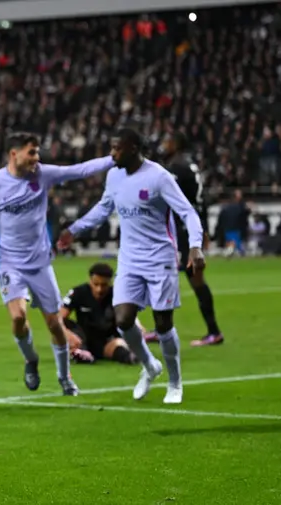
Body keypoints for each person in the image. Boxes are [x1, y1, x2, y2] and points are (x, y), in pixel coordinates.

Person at [58, 128, 206, 405]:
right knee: (123, 319)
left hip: (160, 257)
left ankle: (175, 382)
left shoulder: (159, 177)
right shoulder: (114, 176)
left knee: (163, 324)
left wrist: (195, 245)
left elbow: (187, 211)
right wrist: (75, 229)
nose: (112, 154)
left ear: (135, 148)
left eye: (117, 148)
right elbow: (103, 208)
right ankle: (150, 365)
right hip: (129, 259)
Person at [0, 131, 114, 395]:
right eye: (32, 152)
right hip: (9, 263)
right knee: (18, 317)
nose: (37, 157)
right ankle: (31, 360)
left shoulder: (43, 174)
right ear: (14, 154)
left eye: (37, 152)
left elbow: (80, 170)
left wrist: (112, 159)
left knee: (54, 324)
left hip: (40, 264)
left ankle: (64, 377)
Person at [161, 131, 223, 346]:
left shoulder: (176, 167)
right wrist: (203, 228)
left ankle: (213, 331)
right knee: (168, 275)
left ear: (176, 144)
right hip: (190, 226)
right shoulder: (189, 164)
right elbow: (200, 200)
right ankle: (163, 328)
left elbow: (168, 197)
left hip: (183, 229)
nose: (164, 144)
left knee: (177, 277)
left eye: (167, 141)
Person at [60, 262, 137, 365]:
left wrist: (137, 327)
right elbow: (59, 318)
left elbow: (127, 316)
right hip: (82, 339)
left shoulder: (117, 295)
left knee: (120, 347)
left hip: (107, 341)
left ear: (110, 282)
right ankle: (81, 352)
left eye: (104, 285)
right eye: (96, 284)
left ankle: (130, 357)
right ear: (90, 280)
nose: (99, 289)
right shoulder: (78, 292)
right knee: (63, 325)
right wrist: (68, 335)